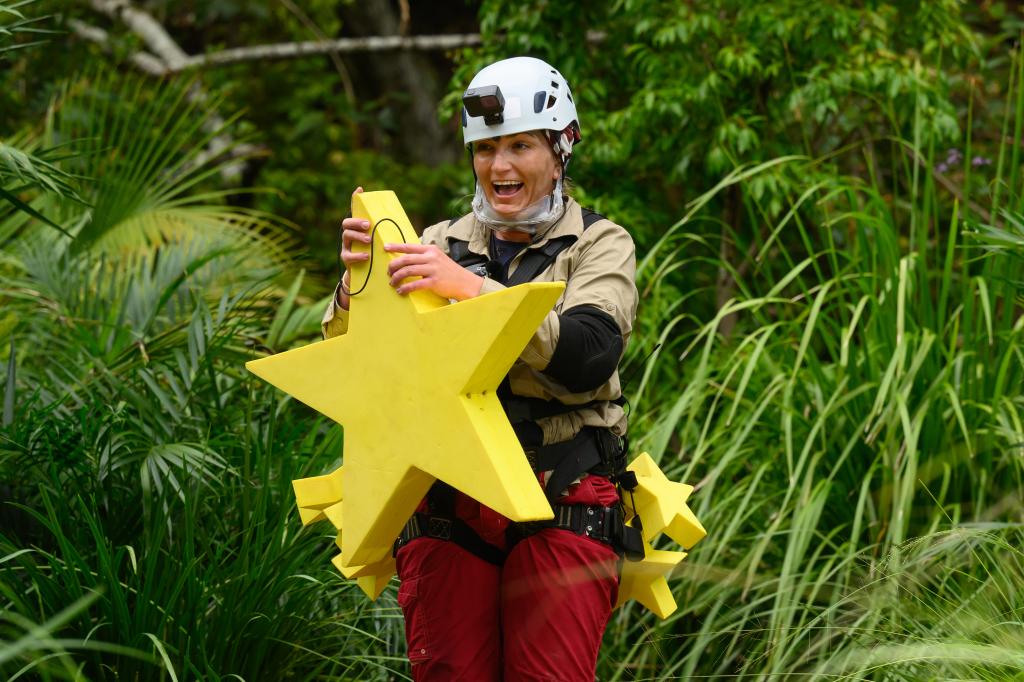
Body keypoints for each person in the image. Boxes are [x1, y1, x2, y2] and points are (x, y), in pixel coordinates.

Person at [324, 56, 639, 681]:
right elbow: (359, 359)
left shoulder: (601, 244)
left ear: (562, 147)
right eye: (486, 147)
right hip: (447, 500)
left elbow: (588, 354)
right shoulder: (435, 242)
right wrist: (355, 284)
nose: (500, 167)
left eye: (521, 146)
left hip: (563, 494)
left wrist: (470, 291)